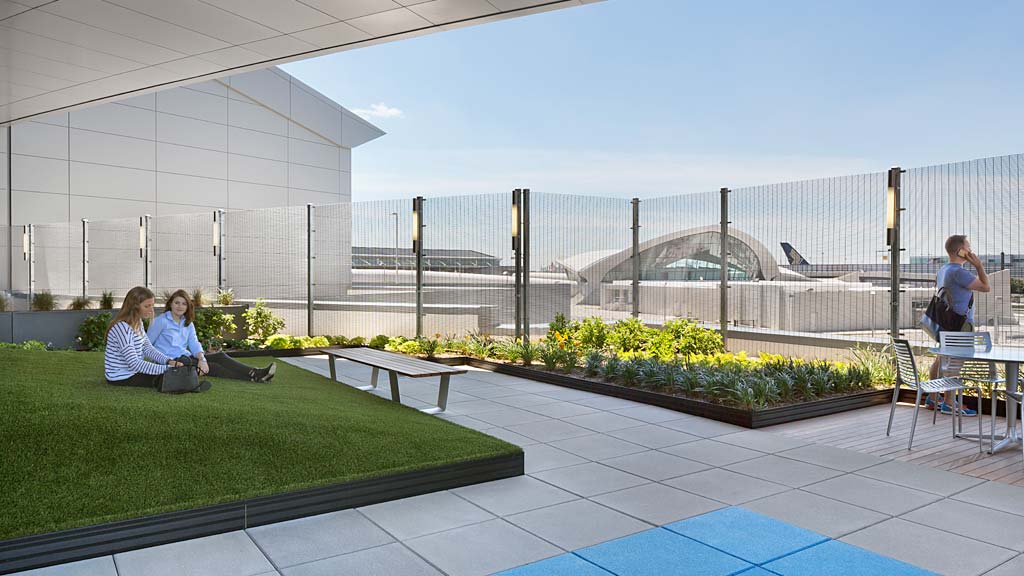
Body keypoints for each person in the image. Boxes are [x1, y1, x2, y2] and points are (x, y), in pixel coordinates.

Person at [147, 289, 275, 382]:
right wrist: (140, 367)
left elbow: (194, 344)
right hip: (171, 362)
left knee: (219, 356)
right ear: (170, 304)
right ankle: (254, 376)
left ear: (188, 307)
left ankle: (254, 372)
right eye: (177, 303)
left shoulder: (187, 323)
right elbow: (146, 344)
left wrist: (202, 359)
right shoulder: (161, 321)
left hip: (185, 357)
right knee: (213, 367)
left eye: (184, 303)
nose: (180, 306)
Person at [928, 234, 990, 415]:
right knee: (955, 364)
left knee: (941, 359)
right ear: (960, 251)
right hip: (960, 325)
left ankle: (933, 398)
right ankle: (949, 402)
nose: (971, 251)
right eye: (968, 247)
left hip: (946, 323)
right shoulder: (958, 272)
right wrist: (978, 265)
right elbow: (986, 287)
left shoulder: (944, 270)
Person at [104, 286, 203, 390]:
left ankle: (190, 385)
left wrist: (168, 361)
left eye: (152, 305)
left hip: (135, 371)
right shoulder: (122, 327)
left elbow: (148, 348)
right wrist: (168, 368)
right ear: (134, 306)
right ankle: (190, 387)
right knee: (169, 378)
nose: (151, 310)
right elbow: (134, 363)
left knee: (175, 375)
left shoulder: (138, 323)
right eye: (147, 306)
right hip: (122, 377)